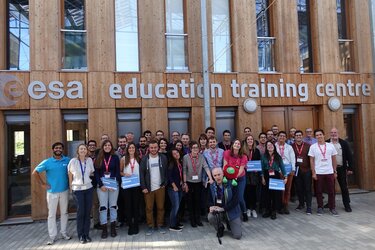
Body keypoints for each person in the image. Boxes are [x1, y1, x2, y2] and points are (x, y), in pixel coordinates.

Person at [32, 142, 71, 245]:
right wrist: (42, 184)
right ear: (53, 150)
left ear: (62, 150)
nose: (58, 149)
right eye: (56, 148)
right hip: (52, 193)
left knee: (64, 213)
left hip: (64, 191)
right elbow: (35, 172)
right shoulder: (47, 162)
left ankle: (64, 233)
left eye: (60, 148)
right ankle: (52, 236)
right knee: (51, 215)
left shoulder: (67, 160)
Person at [140, 140, 168, 236]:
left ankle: (160, 225)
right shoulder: (144, 159)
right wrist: (143, 187)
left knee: (160, 207)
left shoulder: (163, 158)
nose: (153, 149)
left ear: (158, 147)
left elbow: (166, 171)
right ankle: (150, 226)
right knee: (149, 208)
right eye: (151, 148)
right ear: (149, 148)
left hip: (160, 187)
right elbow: (141, 174)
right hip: (148, 188)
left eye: (155, 147)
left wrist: (165, 182)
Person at [68, 144, 95, 244]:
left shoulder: (89, 161)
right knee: (81, 212)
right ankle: (80, 235)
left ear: (87, 151)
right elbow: (70, 175)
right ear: (78, 151)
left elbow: (91, 172)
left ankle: (86, 234)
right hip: (77, 189)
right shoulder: (73, 161)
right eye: (81, 149)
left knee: (87, 212)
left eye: (84, 149)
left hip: (88, 188)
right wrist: (71, 187)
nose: (83, 150)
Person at [183, 141, 213, 227]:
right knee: (190, 201)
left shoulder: (201, 157)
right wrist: (185, 183)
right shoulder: (186, 157)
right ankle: (192, 220)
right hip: (189, 182)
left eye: (197, 147)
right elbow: (184, 170)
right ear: (190, 149)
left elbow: (206, 167)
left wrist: (210, 178)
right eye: (194, 148)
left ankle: (198, 219)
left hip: (198, 182)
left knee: (198, 201)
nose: (195, 149)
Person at [308, 129, 338, 216]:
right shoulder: (313, 147)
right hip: (318, 172)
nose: (319, 136)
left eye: (320, 134)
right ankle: (320, 207)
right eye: (317, 135)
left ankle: (332, 208)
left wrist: (335, 171)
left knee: (331, 191)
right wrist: (313, 172)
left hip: (329, 172)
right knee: (318, 191)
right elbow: (311, 160)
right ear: (315, 137)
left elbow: (334, 159)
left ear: (324, 135)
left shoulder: (330, 146)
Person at [94, 140, 121, 238]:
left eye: (109, 145)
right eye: (105, 145)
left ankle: (113, 227)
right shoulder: (98, 158)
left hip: (113, 186)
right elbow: (96, 173)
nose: (107, 147)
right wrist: (101, 185)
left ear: (111, 146)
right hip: (102, 186)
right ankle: (104, 228)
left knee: (113, 206)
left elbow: (118, 171)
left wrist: (114, 184)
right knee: (103, 207)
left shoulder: (115, 157)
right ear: (102, 147)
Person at [208, 167, 242, 240]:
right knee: (210, 217)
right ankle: (220, 228)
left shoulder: (232, 183)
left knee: (237, 236)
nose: (217, 177)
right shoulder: (212, 185)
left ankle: (230, 223)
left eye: (219, 174)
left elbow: (235, 201)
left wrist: (223, 209)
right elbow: (209, 199)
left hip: (231, 211)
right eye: (215, 175)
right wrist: (211, 206)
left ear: (223, 173)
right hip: (218, 211)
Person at [327, 128, 354, 212]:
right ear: (329, 133)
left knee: (344, 187)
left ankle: (347, 205)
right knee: (330, 187)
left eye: (335, 132)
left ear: (338, 133)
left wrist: (350, 168)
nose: (333, 134)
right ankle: (330, 203)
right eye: (332, 132)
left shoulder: (344, 143)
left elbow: (349, 156)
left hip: (341, 168)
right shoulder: (326, 143)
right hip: (330, 169)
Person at [260, 141, 287, 220]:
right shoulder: (263, 156)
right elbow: (261, 168)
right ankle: (268, 210)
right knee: (267, 194)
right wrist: (262, 177)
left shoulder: (278, 156)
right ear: (266, 147)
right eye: (268, 145)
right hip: (266, 176)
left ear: (274, 146)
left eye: (271, 145)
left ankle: (274, 211)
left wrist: (285, 177)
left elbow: (282, 167)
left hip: (276, 176)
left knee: (275, 194)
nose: (270, 146)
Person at [223, 139, 248, 221]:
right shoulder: (227, 153)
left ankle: (244, 212)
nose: (237, 144)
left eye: (238, 143)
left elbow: (241, 169)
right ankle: (231, 214)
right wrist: (226, 177)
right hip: (229, 178)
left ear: (240, 146)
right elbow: (225, 166)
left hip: (240, 178)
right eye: (235, 143)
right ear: (232, 144)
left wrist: (235, 177)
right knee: (230, 197)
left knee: (240, 197)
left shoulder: (244, 156)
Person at [120, 142, 141, 235]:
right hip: (127, 185)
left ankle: (136, 225)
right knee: (128, 206)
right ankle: (130, 226)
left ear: (135, 149)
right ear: (127, 149)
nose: (131, 149)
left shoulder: (139, 158)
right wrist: (125, 174)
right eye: (130, 148)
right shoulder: (123, 159)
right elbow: (120, 172)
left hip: (136, 185)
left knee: (136, 206)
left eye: (133, 147)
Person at [292, 130, 312, 214]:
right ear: (294, 137)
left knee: (307, 189)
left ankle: (309, 207)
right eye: (297, 135)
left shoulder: (308, 146)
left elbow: (311, 158)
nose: (298, 136)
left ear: (302, 136)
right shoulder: (291, 146)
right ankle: (301, 204)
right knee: (299, 188)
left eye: (300, 135)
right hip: (297, 170)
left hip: (307, 170)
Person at [275, 131, 296, 214]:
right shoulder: (274, 146)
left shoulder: (289, 147)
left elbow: (293, 159)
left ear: (286, 138)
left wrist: (293, 169)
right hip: (278, 170)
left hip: (288, 170)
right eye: (280, 136)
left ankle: (285, 205)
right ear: (278, 137)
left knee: (287, 189)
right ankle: (279, 205)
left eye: (284, 136)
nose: (282, 137)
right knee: (279, 189)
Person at [242, 135, 261, 218]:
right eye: (248, 139)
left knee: (253, 191)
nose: (250, 140)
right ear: (246, 141)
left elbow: (258, 161)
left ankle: (253, 209)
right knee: (246, 191)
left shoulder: (256, 150)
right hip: (245, 173)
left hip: (254, 174)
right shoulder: (243, 151)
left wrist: (257, 168)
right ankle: (248, 208)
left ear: (253, 141)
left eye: (251, 139)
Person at [167, 147, 184, 232]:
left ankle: (176, 222)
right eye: (174, 154)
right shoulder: (171, 164)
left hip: (180, 187)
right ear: (172, 156)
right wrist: (174, 185)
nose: (176, 154)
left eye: (177, 152)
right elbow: (169, 176)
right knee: (175, 206)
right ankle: (172, 225)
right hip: (173, 188)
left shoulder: (180, 162)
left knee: (178, 206)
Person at [87, 140, 101, 230]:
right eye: (90, 145)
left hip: (96, 183)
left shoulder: (99, 156)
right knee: (86, 205)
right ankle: (86, 223)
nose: (92, 146)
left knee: (96, 204)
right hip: (85, 184)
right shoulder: (84, 156)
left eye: (93, 145)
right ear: (87, 147)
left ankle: (96, 222)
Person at [115, 135, 127, 227]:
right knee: (119, 201)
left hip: (129, 181)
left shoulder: (130, 151)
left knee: (128, 200)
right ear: (118, 143)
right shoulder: (115, 154)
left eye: (124, 142)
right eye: (120, 142)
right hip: (119, 181)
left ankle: (128, 218)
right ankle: (121, 219)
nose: (122, 143)